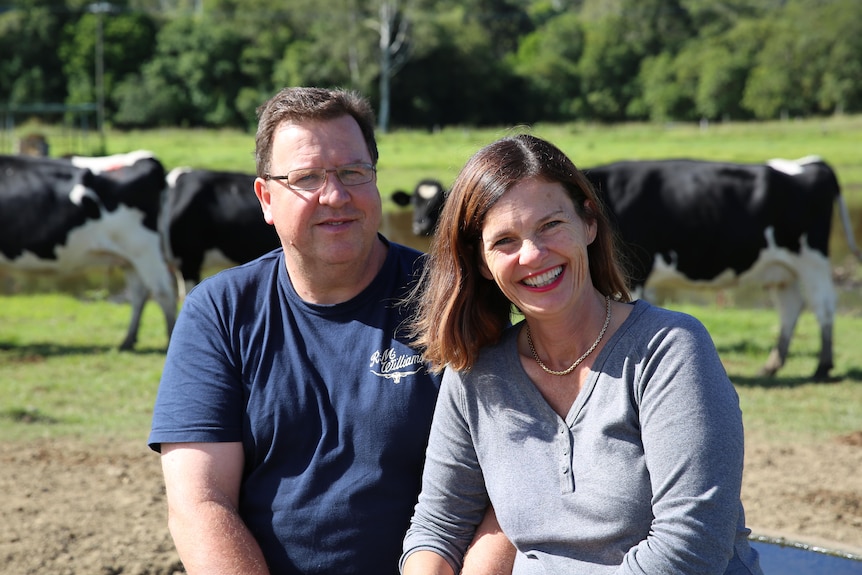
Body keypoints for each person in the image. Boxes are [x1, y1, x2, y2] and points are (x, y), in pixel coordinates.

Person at [148, 87, 513, 575]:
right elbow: (200, 503)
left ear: (376, 179)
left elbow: (514, 486)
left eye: (353, 172)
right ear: (266, 198)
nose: (336, 196)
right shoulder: (219, 311)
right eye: (307, 178)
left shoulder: (453, 299)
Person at [400, 134, 764, 575]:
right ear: (480, 263)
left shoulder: (669, 349)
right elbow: (438, 526)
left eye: (550, 225)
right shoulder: (476, 372)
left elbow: (691, 549)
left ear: (589, 223)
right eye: (504, 241)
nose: (533, 255)